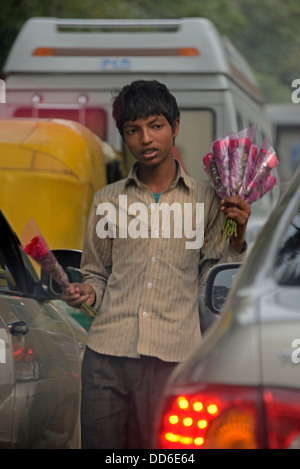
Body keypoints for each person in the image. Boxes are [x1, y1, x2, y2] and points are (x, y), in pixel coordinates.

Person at [62, 80, 250, 449]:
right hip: (106, 360)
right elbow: (97, 273)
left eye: (156, 125)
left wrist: (238, 231)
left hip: (173, 361)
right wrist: (87, 290)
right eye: (133, 130)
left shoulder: (210, 201)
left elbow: (217, 272)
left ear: (175, 127)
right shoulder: (107, 201)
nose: (146, 138)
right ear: (123, 137)